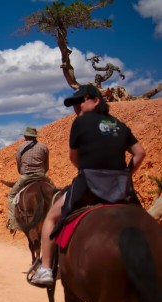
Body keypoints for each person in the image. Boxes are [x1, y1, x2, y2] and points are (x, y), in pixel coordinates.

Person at [30, 84, 146, 286]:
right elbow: (140, 153)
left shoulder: (80, 124)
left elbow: (74, 157)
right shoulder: (120, 125)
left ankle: (46, 269)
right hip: (121, 187)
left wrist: (86, 169)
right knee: (144, 220)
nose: (77, 107)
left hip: (89, 185)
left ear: (96, 100)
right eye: (74, 103)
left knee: (51, 217)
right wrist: (126, 175)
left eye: (81, 101)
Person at [7, 126, 53, 234]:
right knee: (55, 193)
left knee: (11, 196)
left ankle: (12, 223)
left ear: (26, 136)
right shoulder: (43, 147)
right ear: (35, 136)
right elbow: (47, 166)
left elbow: (19, 165)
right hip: (42, 176)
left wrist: (23, 172)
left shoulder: (21, 147)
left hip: (26, 176)